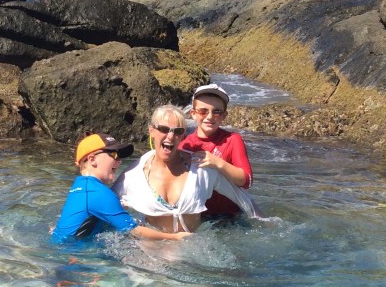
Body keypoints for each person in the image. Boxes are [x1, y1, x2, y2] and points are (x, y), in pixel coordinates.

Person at [114, 104, 261, 233]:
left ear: (183, 135)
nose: (170, 136)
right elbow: (106, 205)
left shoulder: (200, 168)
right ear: (151, 131)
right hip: (151, 251)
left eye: (177, 131)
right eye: (164, 129)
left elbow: (240, 196)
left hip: (192, 249)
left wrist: (266, 222)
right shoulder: (135, 173)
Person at [51, 133, 193, 243]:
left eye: (119, 156)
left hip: (64, 251)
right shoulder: (99, 193)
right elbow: (135, 231)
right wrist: (175, 238)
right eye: (113, 154)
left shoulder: (80, 185)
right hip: (74, 261)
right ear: (92, 159)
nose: (119, 161)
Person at [179, 83, 254, 218]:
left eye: (217, 112)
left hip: (230, 216)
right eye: (203, 111)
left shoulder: (232, 140)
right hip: (198, 217)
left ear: (224, 115)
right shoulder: (185, 145)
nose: (210, 116)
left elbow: (247, 180)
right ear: (193, 114)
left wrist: (218, 163)